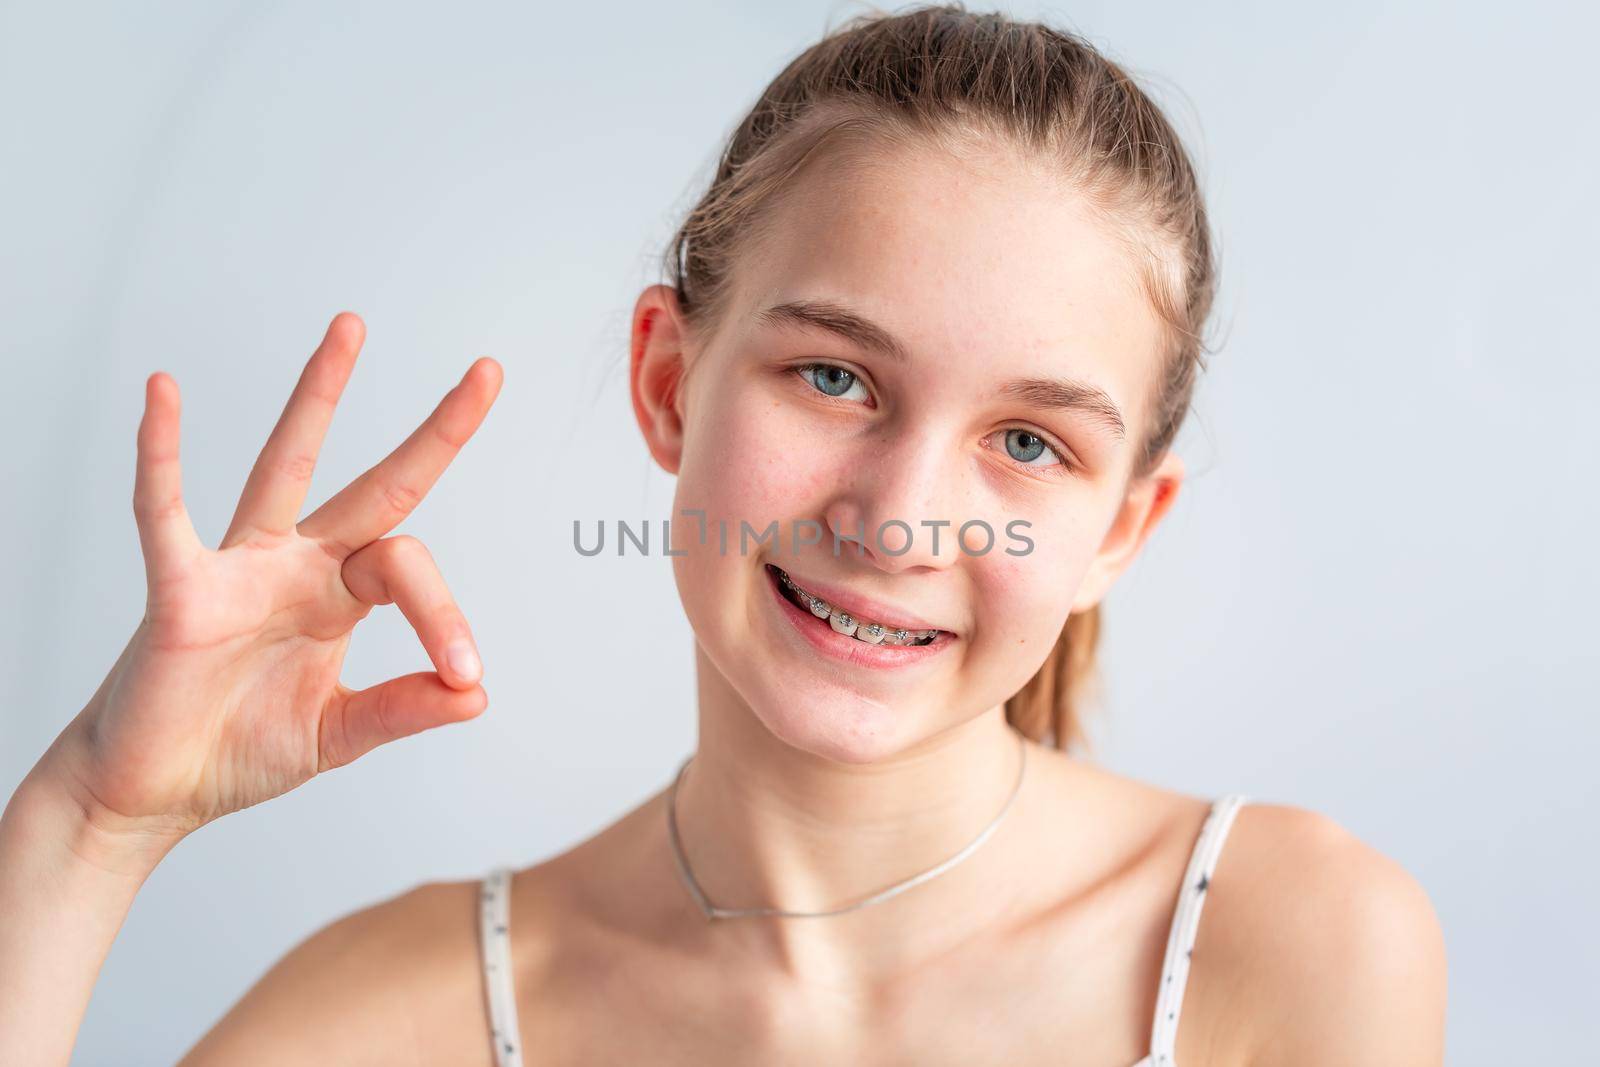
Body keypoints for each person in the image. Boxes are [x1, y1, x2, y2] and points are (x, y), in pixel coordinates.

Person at [0, 5, 1447, 1064]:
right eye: (835, 378)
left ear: (1123, 528)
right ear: (666, 381)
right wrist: (89, 821)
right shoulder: (397, 1020)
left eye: (1028, 443)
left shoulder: (1293, 944)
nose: (893, 519)